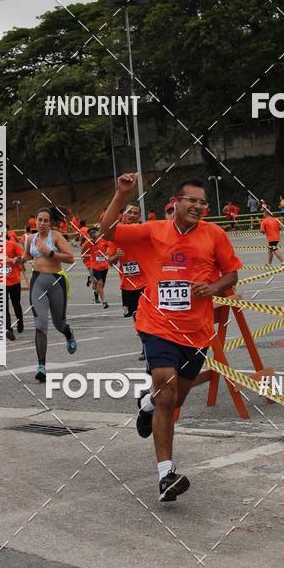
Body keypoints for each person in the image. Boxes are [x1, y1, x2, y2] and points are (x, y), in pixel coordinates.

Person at [99, 174, 241, 502]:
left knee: (173, 399)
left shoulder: (215, 234)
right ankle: (166, 475)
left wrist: (214, 287)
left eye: (203, 202)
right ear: (175, 202)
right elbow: (107, 232)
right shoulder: (152, 231)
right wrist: (121, 194)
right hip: (157, 326)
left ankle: (145, 404)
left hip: (197, 332)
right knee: (166, 392)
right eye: (192, 200)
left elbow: (232, 272)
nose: (198, 206)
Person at [23, 207, 77, 383]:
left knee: (58, 323)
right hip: (37, 282)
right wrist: (19, 259)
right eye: (39, 220)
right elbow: (26, 255)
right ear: (36, 221)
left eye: (45, 220)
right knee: (41, 324)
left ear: (50, 222)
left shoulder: (56, 237)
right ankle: (41, 366)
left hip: (56, 282)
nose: (42, 223)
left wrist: (50, 252)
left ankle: (68, 333)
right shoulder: (30, 238)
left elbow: (70, 258)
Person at [117, 203, 148, 360]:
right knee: (136, 315)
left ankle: (147, 347)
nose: (132, 215)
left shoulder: (145, 231)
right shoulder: (116, 234)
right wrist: (116, 256)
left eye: (136, 213)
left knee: (146, 314)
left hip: (146, 281)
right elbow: (109, 260)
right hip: (128, 284)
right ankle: (145, 343)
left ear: (140, 216)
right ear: (123, 214)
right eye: (130, 212)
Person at [85, 227, 118, 307]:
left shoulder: (103, 240)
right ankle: (104, 302)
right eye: (90, 234)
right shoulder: (89, 242)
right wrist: (87, 243)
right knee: (100, 283)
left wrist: (109, 253)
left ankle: (96, 292)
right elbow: (82, 251)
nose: (92, 235)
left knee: (102, 285)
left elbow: (111, 246)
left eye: (94, 233)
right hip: (95, 267)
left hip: (104, 266)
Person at [5, 232, 24, 341]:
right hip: (0, 282)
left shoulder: (13, 245)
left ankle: (20, 322)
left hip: (14, 280)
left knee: (16, 304)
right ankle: (8, 329)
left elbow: (22, 258)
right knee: (4, 306)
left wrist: (15, 259)